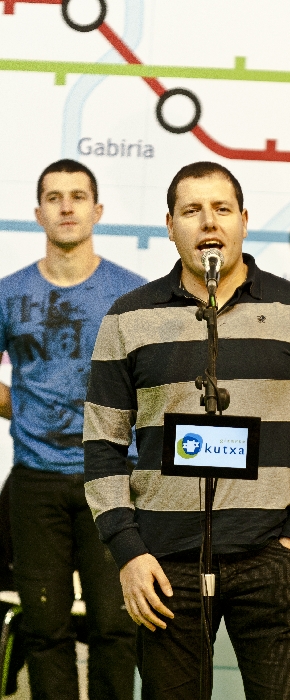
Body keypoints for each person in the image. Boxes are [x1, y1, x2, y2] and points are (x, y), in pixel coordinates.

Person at [83, 161, 290, 700]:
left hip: (273, 558)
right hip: (164, 567)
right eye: (192, 210)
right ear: (169, 226)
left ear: (244, 221)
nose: (209, 221)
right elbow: (102, 447)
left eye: (222, 209)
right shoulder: (127, 318)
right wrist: (129, 551)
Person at [0, 159, 146, 700]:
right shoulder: (9, 293)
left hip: (113, 478)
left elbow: (157, 385)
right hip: (35, 481)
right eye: (54, 197)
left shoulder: (132, 295)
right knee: (44, 630)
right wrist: (27, 409)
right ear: (38, 213)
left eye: (78, 196)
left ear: (97, 210)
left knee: (116, 626)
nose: (66, 207)